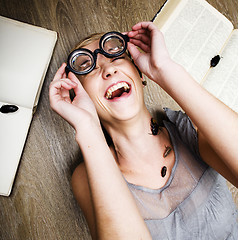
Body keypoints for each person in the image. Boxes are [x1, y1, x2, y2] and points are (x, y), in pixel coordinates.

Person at [49, 22, 238, 240]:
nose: (108, 69)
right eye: (88, 67)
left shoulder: (190, 130)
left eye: (116, 57)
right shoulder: (86, 177)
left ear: (139, 75)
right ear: (80, 98)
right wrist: (86, 126)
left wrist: (164, 70)